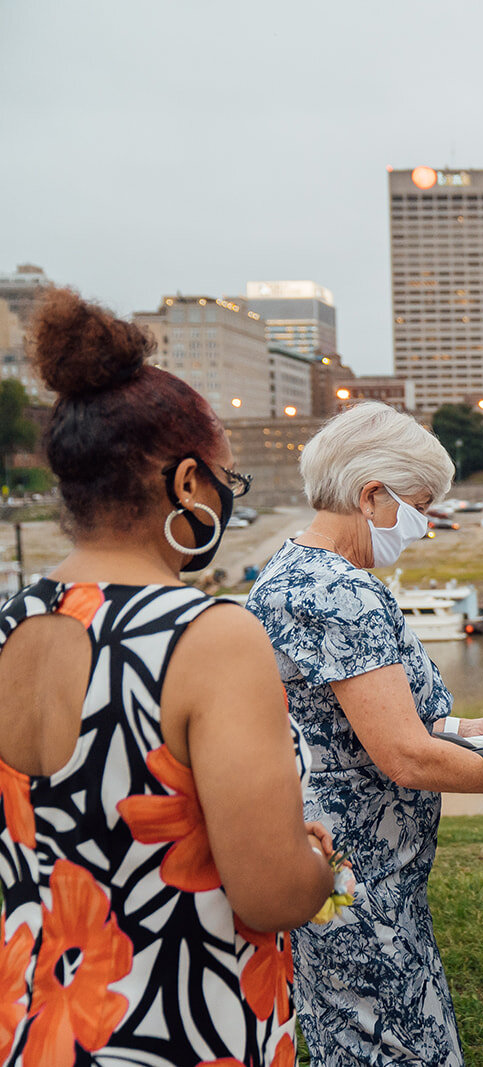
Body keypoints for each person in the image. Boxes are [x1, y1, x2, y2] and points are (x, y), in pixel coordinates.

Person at [0, 288, 334, 1065]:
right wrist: (319, 862)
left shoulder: (10, 621)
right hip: (179, 1027)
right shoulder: (210, 635)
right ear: (187, 484)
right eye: (225, 482)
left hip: (36, 1022)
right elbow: (272, 893)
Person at [246, 402, 483, 1065]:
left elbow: (349, 720)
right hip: (367, 876)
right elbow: (405, 755)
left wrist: (470, 727)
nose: (424, 527)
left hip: (325, 861)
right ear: (371, 494)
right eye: (419, 507)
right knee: (403, 1043)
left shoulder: (283, 572)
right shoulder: (342, 593)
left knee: (339, 1038)